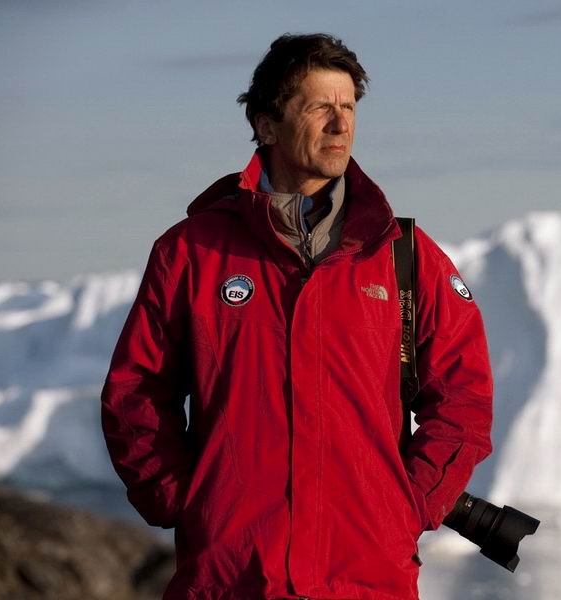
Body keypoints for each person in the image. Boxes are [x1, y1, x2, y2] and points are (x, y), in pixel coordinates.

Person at [100, 33, 493, 600]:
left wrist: (408, 504)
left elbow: (463, 397)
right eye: (319, 107)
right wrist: (184, 500)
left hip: (367, 579)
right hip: (232, 578)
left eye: (349, 107)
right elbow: (136, 391)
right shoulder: (191, 252)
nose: (340, 124)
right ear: (266, 124)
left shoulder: (402, 255)